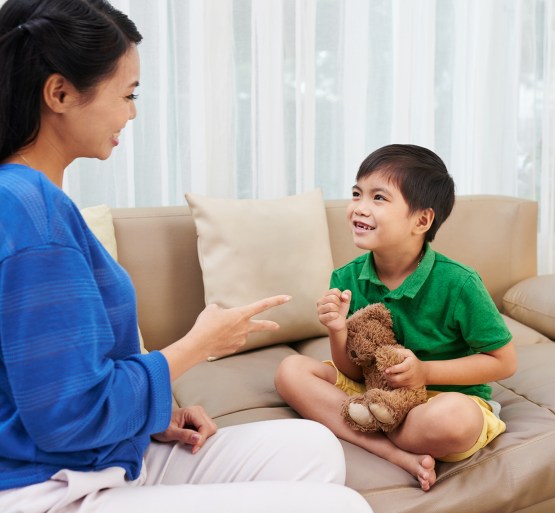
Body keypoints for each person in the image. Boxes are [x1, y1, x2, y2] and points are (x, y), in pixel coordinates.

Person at [0, 1, 372, 512]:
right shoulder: (28, 214)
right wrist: (197, 346)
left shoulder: (33, 198)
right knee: (340, 506)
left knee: (314, 448)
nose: (132, 112)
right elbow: (70, 414)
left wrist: (153, 415)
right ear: (59, 93)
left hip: (92, 457)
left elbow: (54, 379)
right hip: (42, 487)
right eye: (127, 94)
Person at [275, 144, 517, 491]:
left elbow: (504, 361)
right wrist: (337, 330)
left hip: (438, 400)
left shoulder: (459, 282)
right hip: (372, 391)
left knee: (453, 419)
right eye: (357, 193)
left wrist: (425, 372)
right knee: (290, 371)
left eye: (378, 198)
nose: (359, 207)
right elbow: (351, 371)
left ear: (421, 220)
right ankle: (393, 451)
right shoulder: (346, 278)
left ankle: (374, 428)